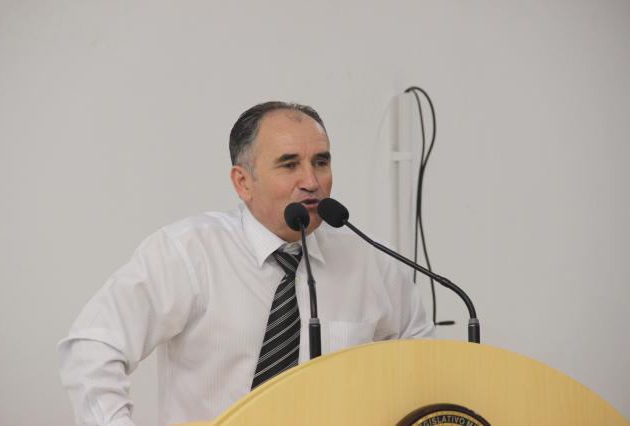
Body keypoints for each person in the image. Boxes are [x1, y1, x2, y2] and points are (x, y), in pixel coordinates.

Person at [58, 101, 434, 426]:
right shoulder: (188, 253)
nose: (311, 181)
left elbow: (423, 366)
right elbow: (92, 347)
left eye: (321, 162)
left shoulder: (371, 261)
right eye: (289, 164)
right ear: (243, 183)